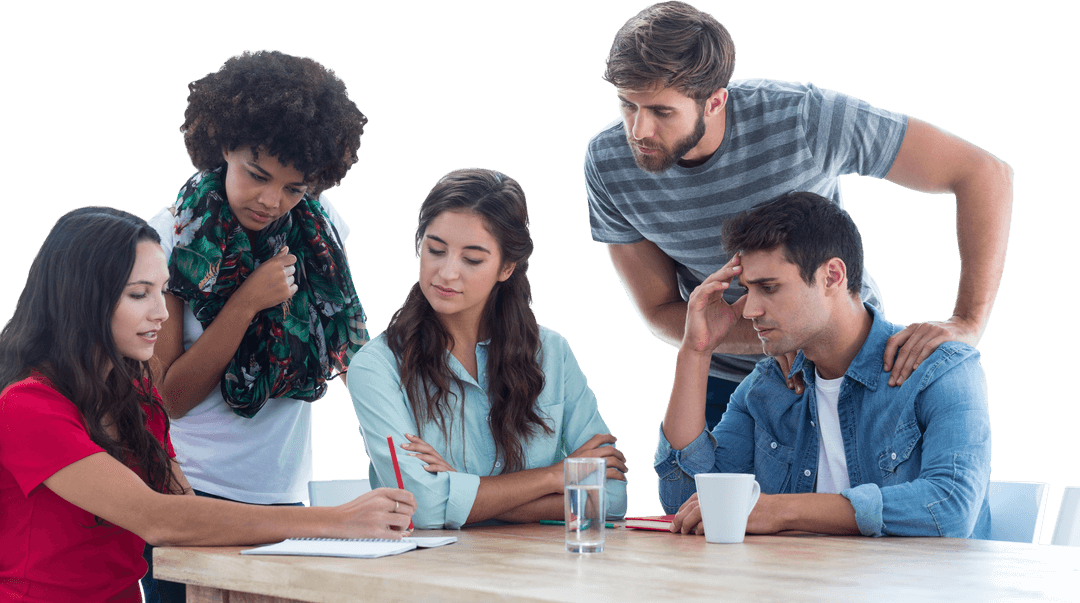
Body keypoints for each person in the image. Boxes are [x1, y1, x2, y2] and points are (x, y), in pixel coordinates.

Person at [585, 1, 1013, 428]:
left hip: (846, 364)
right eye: (627, 105)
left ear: (715, 102)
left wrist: (967, 323)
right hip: (730, 382)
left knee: (867, 497)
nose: (638, 130)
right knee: (694, 493)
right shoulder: (607, 163)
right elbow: (660, 309)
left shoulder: (802, 118)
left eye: (661, 111)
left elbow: (983, 174)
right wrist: (769, 337)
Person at [0, 207, 415, 603]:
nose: (162, 313)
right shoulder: (26, 407)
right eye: (140, 294)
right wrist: (337, 522)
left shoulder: (135, 397)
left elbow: (184, 508)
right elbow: (158, 519)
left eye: (163, 290)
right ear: (82, 298)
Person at [145, 49, 369, 600]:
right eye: (258, 175)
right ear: (222, 144)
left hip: (286, 498)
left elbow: (344, 353)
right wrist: (246, 302)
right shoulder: (168, 237)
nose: (272, 201)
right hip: (192, 497)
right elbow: (168, 397)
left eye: (295, 188)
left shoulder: (319, 231)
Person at [655, 192, 991, 538]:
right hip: (803, 587)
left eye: (768, 288)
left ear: (832, 276)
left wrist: (782, 511)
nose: (749, 310)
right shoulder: (767, 387)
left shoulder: (940, 369)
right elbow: (685, 502)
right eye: (747, 290)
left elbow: (950, 508)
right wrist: (696, 351)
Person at [349, 169, 628, 529]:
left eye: (472, 259)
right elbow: (423, 509)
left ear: (506, 266)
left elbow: (614, 497)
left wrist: (463, 491)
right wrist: (552, 477)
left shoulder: (553, 353)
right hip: (428, 575)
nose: (447, 273)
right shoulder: (377, 366)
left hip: (543, 577)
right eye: (435, 250)